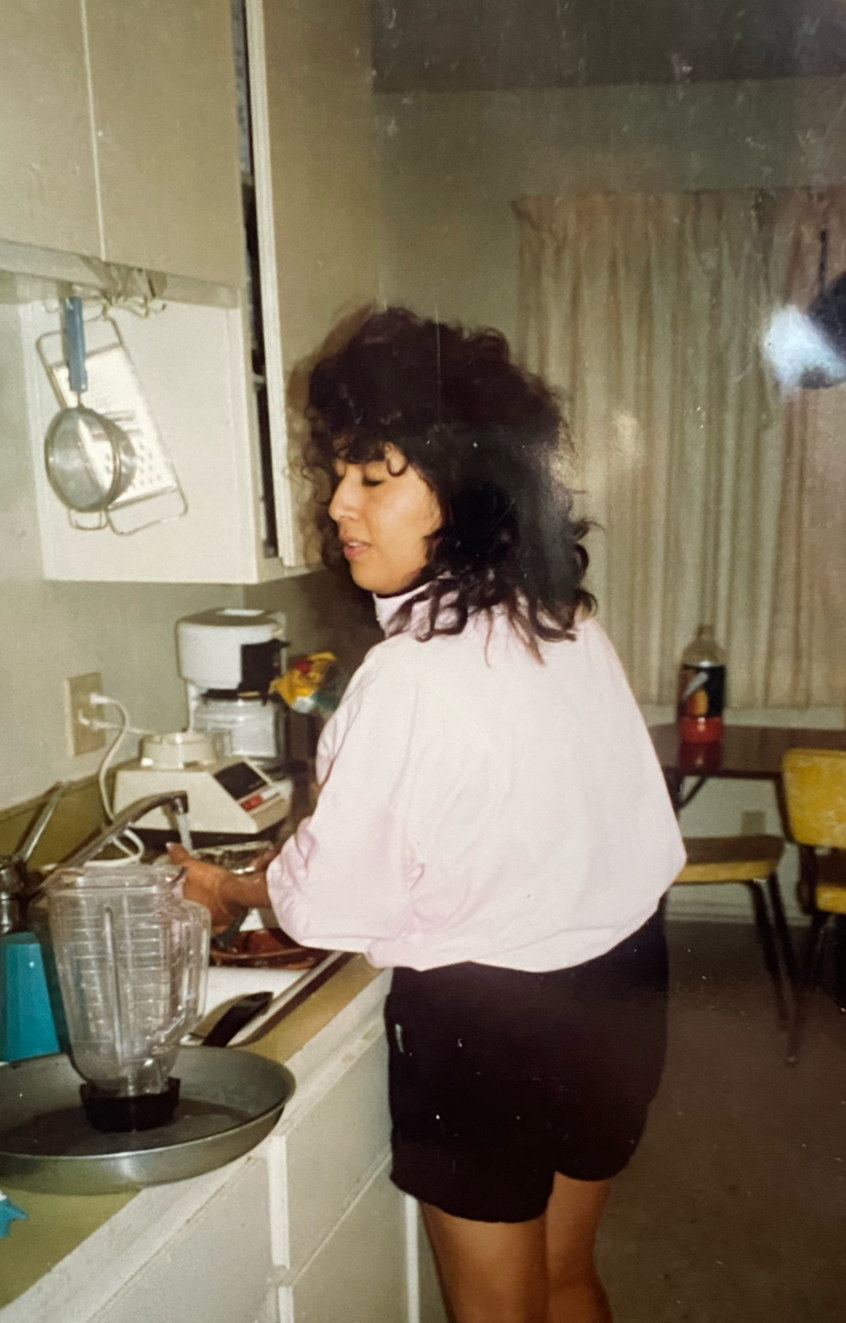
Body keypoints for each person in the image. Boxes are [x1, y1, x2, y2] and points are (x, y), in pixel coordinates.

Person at [171, 306, 685, 1323]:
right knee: (567, 1277)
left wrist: (234, 887)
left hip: (494, 1024)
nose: (339, 508)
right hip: (622, 982)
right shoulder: (563, 622)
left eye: (376, 475)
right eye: (338, 476)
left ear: (467, 487)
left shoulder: (407, 674)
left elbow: (324, 908)